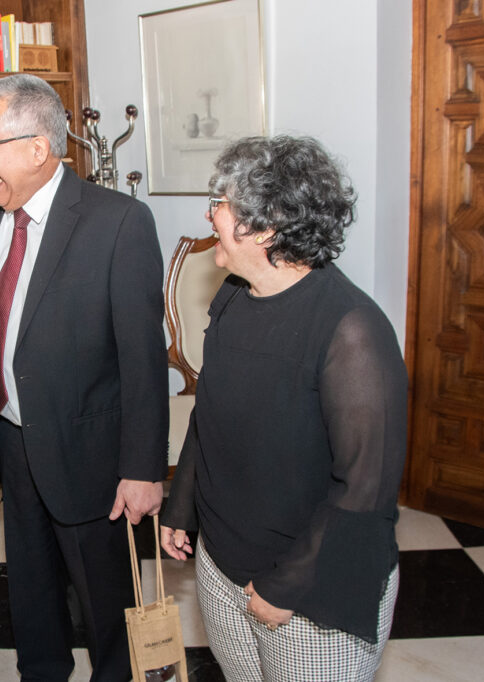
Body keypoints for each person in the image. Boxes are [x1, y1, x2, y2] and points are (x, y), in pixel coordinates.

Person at [160, 135, 407, 682]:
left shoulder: (353, 332)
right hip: (223, 563)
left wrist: (288, 584)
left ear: (265, 226)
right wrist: (182, 507)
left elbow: (364, 489)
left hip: (309, 586)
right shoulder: (232, 294)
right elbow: (211, 416)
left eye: (219, 202)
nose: (209, 214)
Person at [0, 74, 169, 681]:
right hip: (13, 441)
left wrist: (143, 468)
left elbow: (143, 361)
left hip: (93, 457)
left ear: (36, 147)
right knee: (29, 586)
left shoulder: (118, 223)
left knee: (106, 605)